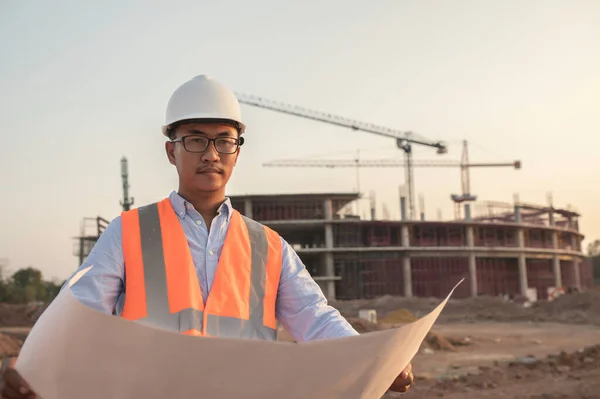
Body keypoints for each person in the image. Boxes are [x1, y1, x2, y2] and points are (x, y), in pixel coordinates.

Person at [0, 75, 414, 397]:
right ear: (171, 151)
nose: (211, 153)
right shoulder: (128, 233)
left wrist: (378, 357)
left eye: (224, 141)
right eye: (196, 139)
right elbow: (78, 312)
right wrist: (31, 362)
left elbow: (315, 318)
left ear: (237, 150)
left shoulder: (269, 246)